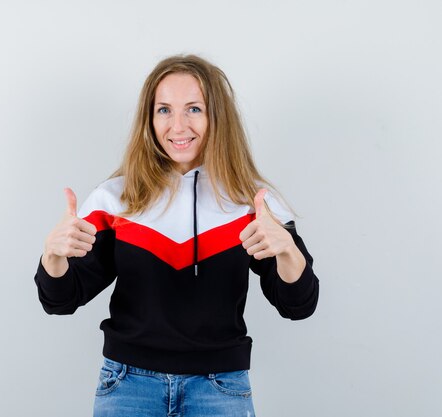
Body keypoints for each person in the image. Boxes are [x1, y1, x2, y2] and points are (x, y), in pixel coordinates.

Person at [34, 54, 319, 417]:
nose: (178, 125)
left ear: (217, 117)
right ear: (149, 119)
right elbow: (61, 299)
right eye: (164, 110)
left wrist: (288, 251)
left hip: (220, 388)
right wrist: (53, 258)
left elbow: (299, 305)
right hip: (127, 386)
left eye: (194, 109)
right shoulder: (114, 199)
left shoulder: (255, 202)